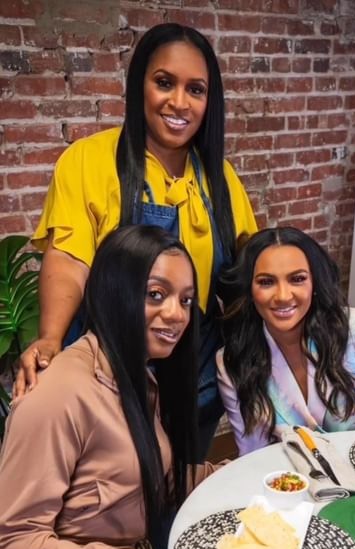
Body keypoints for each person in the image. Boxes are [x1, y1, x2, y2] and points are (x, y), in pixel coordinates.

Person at [0, 225, 277, 549]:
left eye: (185, 300)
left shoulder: (135, 372)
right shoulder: (58, 394)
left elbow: (146, 478)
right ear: (115, 291)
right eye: (156, 294)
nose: (176, 314)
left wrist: (246, 475)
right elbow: (11, 542)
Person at [14, 22, 257, 458]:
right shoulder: (88, 160)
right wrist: (49, 337)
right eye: (164, 83)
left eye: (195, 89)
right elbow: (69, 259)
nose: (179, 102)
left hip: (196, 385)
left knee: (183, 484)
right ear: (139, 84)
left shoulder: (220, 178)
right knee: (114, 490)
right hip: (110, 382)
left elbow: (247, 271)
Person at [216, 226, 355, 456]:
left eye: (297, 279)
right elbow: (253, 455)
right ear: (249, 289)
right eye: (266, 282)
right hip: (290, 475)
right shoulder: (233, 361)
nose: (283, 296)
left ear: (315, 283)